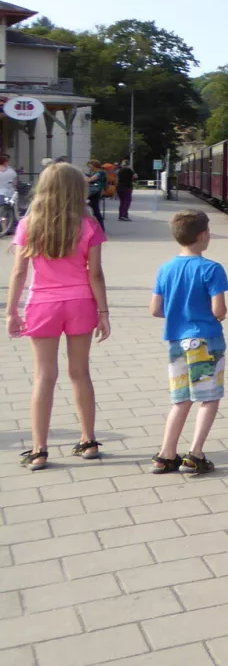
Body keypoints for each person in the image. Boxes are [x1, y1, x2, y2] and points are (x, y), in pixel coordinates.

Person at [7, 162, 110, 470]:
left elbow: (19, 271)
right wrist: (103, 312)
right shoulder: (88, 225)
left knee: (43, 376)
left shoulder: (29, 224)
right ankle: (88, 440)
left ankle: (39, 450)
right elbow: (96, 274)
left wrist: (11, 310)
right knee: (80, 373)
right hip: (80, 303)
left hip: (42, 305)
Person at [149, 209, 228, 475]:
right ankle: (194, 454)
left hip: (176, 342)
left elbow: (155, 309)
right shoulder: (212, 269)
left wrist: (177, 315)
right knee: (208, 398)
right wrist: (217, 316)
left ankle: (165, 454)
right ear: (204, 235)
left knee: (181, 399)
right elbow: (219, 310)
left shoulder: (166, 268)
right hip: (206, 341)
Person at [85, 161, 107, 229]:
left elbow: (90, 180)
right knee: (95, 210)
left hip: (94, 192)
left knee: (95, 211)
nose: (89, 167)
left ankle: (99, 227)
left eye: (90, 165)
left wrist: (82, 177)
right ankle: (100, 227)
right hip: (96, 192)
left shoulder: (99, 173)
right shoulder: (101, 172)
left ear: (94, 165)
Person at [0, 155, 17, 235]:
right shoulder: (11, 172)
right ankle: (8, 229)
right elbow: (15, 183)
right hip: (9, 194)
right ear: (6, 162)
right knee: (12, 210)